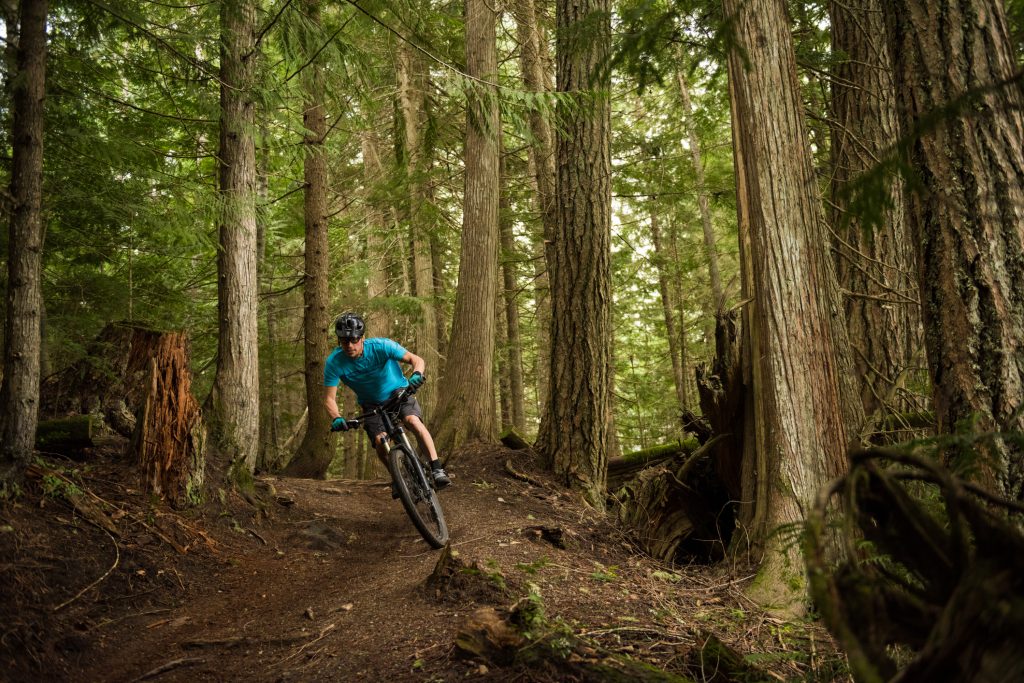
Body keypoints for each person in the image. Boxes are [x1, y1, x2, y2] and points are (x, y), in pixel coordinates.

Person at [324, 312, 451, 489]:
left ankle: (437, 469)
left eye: (354, 340)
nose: (350, 345)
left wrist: (417, 374)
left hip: (397, 392)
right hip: (371, 404)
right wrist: (337, 417)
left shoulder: (381, 346)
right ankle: (399, 481)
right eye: (345, 341)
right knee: (379, 442)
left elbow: (416, 359)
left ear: (363, 338)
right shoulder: (334, 362)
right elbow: (329, 399)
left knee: (412, 421)